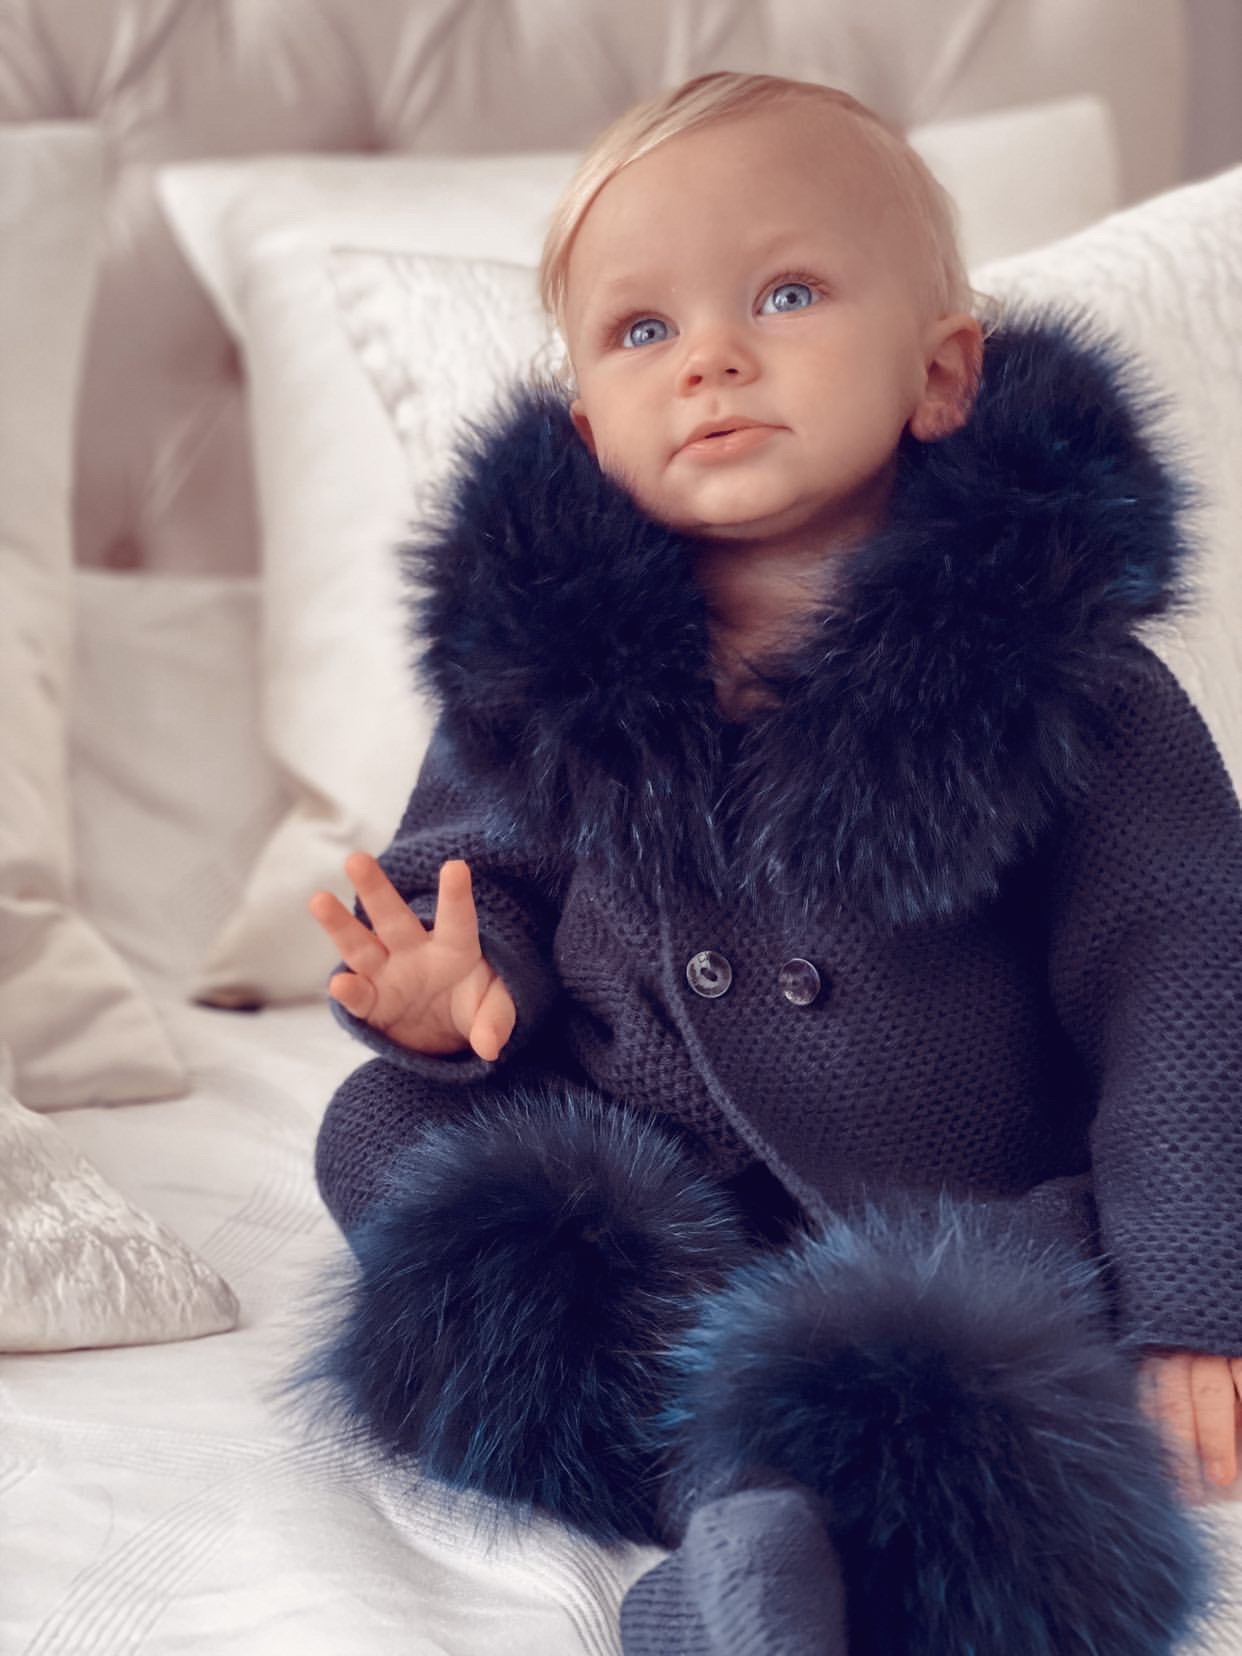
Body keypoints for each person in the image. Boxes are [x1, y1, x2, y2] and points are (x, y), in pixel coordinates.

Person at [299, 72, 1242, 1654]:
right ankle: (733, 1507)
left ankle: (772, 1539)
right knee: (387, 1143)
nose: (711, 358)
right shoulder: (546, 673)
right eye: (640, 329)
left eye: (785, 294)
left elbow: (1186, 975)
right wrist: (459, 986)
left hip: (951, 1207)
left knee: (990, 1337)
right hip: (654, 1207)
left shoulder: (1071, 685)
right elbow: (482, 878)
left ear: (940, 374)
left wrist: (1197, 1284)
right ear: (590, 431)